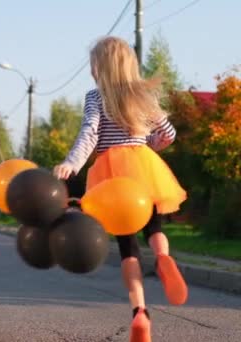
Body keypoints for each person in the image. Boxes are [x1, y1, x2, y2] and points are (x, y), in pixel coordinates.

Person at [53, 36, 188, 342]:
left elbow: (89, 134)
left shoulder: (95, 97)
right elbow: (168, 133)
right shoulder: (143, 95)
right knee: (154, 228)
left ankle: (140, 311)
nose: (91, 71)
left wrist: (72, 163)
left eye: (93, 65)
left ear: (101, 68)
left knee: (128, 249)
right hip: (144, 170)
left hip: (113, 179)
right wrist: (148, 144)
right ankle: (164, 258)